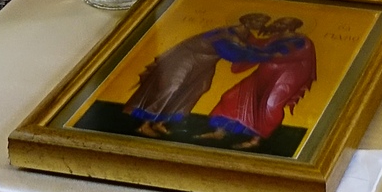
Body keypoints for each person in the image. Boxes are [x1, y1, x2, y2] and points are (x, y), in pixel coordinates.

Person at [124, 13, 272, 137]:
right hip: (187, 57)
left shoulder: (246, 35)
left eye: (263, 22)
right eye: (258, 20)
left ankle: (160, 122)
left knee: (198, 88)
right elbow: (231, 53)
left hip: (205, 62)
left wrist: (267, 50)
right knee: (172, 87)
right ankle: (145, 124)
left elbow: (255, 47)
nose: (260, 24)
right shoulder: (224, 33)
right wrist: (266, 56)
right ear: (246, 20)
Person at [202, 18, 317, 149]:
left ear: (291, 26)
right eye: (277, 23)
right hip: (263, 75)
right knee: (231, 97)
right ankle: (219, 132)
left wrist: (259, 52)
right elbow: (257, 44)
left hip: (285, 77)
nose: (275, 25)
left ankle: (255, 141)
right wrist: (239, 38)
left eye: (280, 24)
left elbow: (284, 55)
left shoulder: (302, 41)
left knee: (270, 106)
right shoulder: (274, 38)